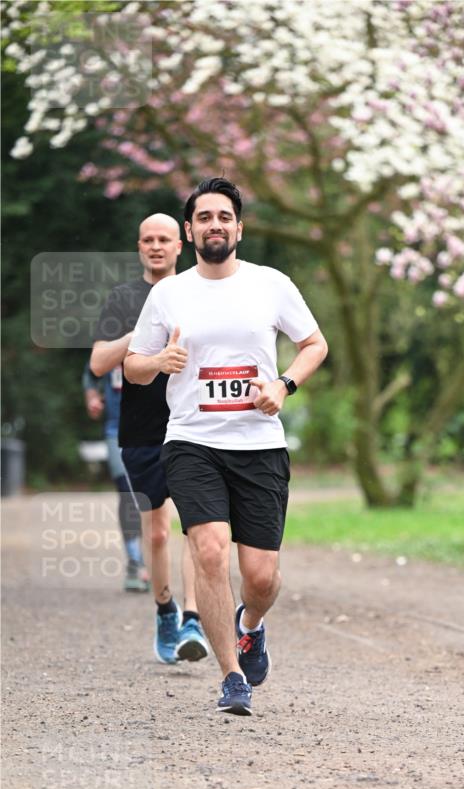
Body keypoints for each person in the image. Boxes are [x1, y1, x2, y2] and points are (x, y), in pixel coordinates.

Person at [125, 177, 328, 715]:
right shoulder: (168, 294)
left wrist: (283, 385)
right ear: (189, 231)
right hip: (192, 441)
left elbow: (314, 344)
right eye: (204, 217)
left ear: (239, 227)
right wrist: (158, 362)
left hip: (259, 445)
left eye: (224, 216)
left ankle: (250, 625)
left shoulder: (271, 284)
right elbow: (133, 366)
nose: (214, 224)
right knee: (210, 550)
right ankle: (231, 678)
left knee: (260, 577)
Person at [90, 214, 209, 664]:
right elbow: (99, 362)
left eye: (164, 239)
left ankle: (193, 618)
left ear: (180, 245)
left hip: (195, 423)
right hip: (141, 429)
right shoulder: (123, 299)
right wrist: (139, 335)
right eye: (147, 240)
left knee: (198, 526)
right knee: (157, 533)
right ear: (139, 247)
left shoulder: (198, 291)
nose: (156, 246)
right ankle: (165, 611)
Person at [82, 360, 149, 592]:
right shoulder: (108, 344)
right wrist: (92, 398)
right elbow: (91, 374)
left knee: (149, 497)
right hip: (116, 430)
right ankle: (135, 561)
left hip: (151, 431)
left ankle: (151, 560)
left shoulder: (157, 339)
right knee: (127, 493)